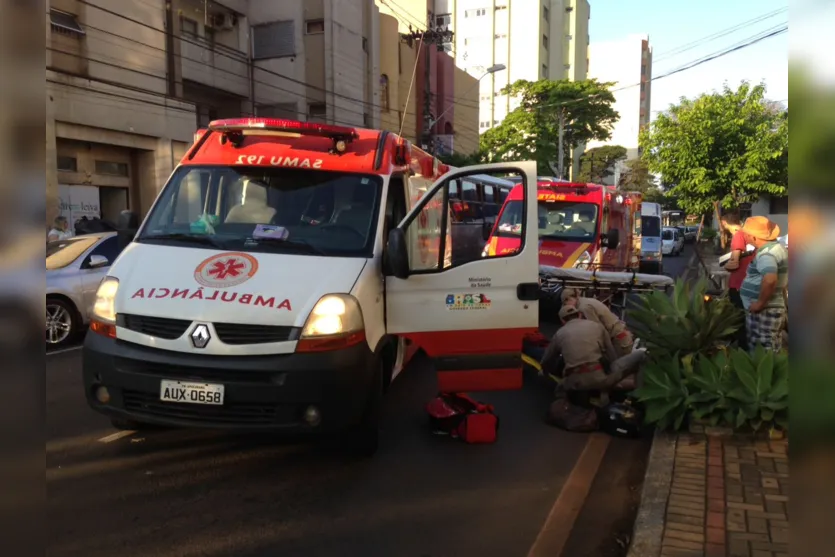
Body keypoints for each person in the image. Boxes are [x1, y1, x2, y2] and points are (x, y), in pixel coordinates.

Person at [739, 216, 788, 353]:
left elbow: (770, 279)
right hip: (773, 309)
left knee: (762, 353)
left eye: (747, 235)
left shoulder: (766, 255)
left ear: (754, 237)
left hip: (764, 312)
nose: (745, 237)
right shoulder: (778, 248)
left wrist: (760, 303)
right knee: (772, 347)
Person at [561, 288, 634, 357]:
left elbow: (597, 330)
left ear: (570, 298)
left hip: (618, 338)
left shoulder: (584, 307)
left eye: (565, 303)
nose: (566, 306)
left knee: (618, 366)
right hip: (619, 334)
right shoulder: (585, 301)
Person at [720, 212, 752, 350]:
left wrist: (725, 265)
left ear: (724, 223)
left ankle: (742, 349)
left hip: (739, 283)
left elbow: (734, 262)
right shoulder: (748, 234)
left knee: (739, 317)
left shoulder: (738, 236)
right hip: (748, 281)